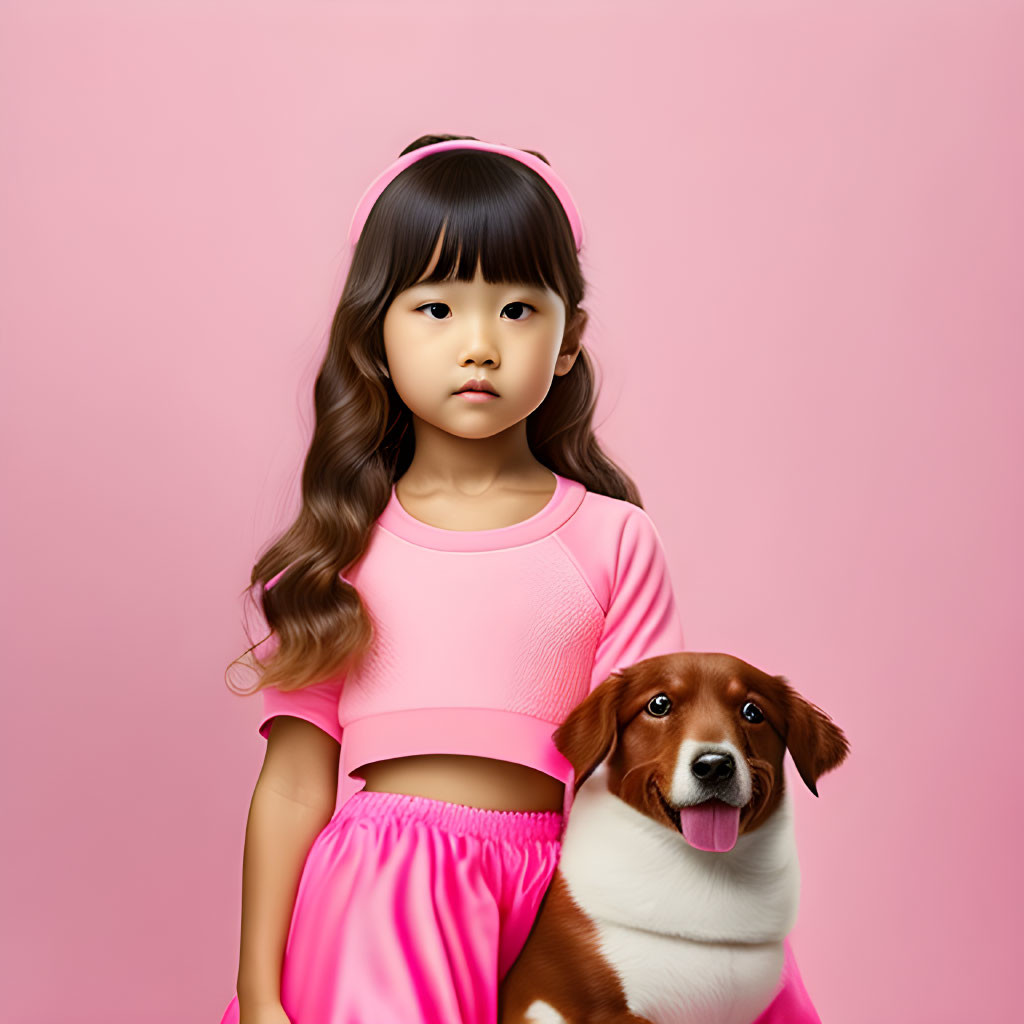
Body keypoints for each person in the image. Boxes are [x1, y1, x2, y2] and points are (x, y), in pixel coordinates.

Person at [216, 134, 806, 1024]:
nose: (481, 345)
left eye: (519, 311)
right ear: (373, 335)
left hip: (572, 893)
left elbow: (645, 763)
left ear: (570, 341)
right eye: (437, 308)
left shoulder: (615, 539)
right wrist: (257, 991)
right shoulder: (339, 549)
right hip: (385, 904)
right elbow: (296, 784)